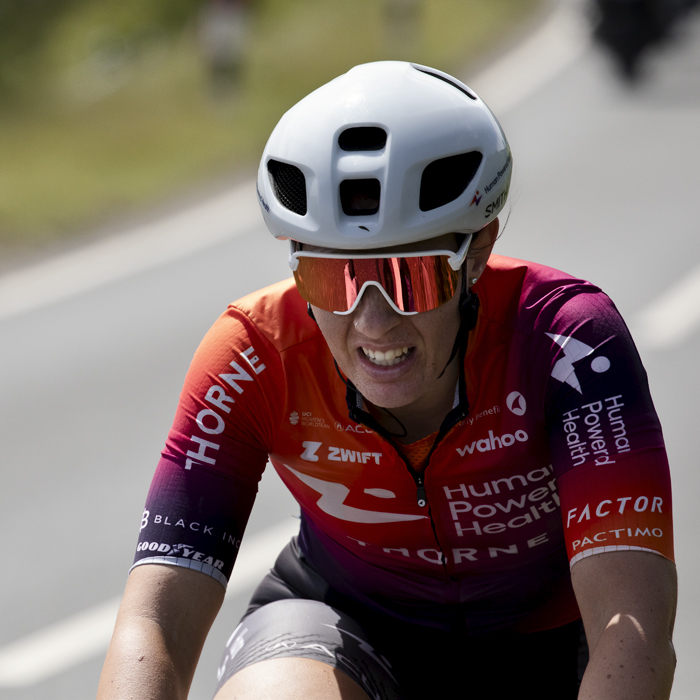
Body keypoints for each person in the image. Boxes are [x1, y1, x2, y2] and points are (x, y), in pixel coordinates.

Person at [97, 61, 677, 699]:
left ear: (477, 253)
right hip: (343, 624)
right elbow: (154, 621)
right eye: (333, 279)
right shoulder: (253, 354)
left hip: (538, 648)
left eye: (411, 279)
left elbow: (635, 632)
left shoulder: (567, 342)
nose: (372, 322)